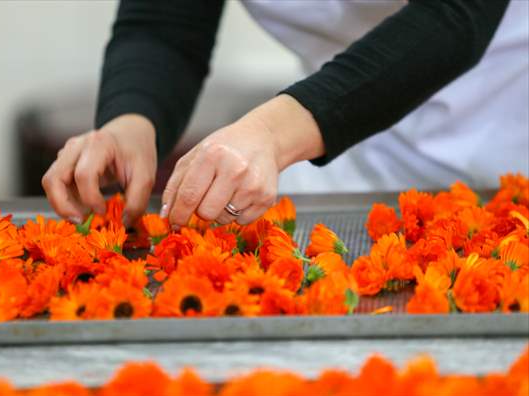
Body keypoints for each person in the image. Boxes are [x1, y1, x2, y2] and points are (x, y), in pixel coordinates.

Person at [42, 0, 527, 228]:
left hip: (510, 131)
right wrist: (129, 123)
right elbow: (164, 25)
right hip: (344, 144)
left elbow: (457, 15)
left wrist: (272, 133)